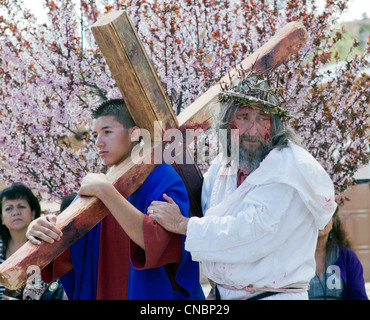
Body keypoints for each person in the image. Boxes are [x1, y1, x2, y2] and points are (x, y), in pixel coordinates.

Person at [148, 72, 338, 300]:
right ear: (228, 123)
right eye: (244, 117)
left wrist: (183, 224)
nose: (252, 130)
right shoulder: (222, 165)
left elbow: (252, 231)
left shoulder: (290, 167)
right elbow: (213, 221)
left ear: (275, 125)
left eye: (262, 119)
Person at [26, 99, 204, 300]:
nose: (98, 142)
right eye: (95, 135)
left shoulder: (162, 177)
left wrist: (107, 193)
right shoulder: (96, 188)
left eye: (107, 132)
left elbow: (158, 242)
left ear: (135, 134)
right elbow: (66, 251)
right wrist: (41, 231)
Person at [0, 183, 65, 300]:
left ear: (33, 213)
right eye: (9, 208)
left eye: (21, 206)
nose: (15, 212)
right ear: (1, 218)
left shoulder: (47, 244)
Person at [308, 208, 368, 300]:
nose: (320, 219)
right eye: (314, 215)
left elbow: (358, 296)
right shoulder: (295, 257)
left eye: (325, 215)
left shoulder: (347, 256)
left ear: (333, 222)